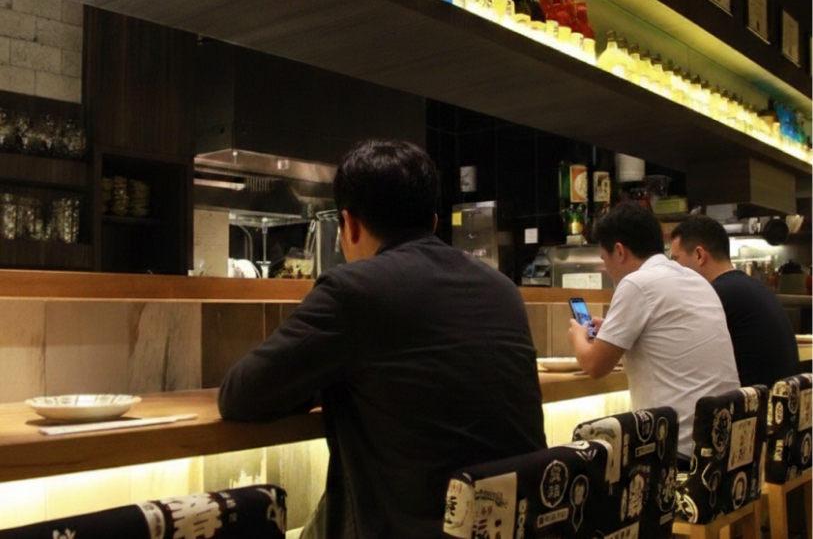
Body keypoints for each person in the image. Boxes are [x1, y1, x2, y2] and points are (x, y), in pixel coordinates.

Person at [219, 139, 545, 539]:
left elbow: (240, 394)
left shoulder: (353, 290)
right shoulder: (503, 290)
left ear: (348, 225)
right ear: (435, 222)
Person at [567, 202, 739, 461]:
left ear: (619, 251)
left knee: (589, 463)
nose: (605, 268)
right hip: (726, 448)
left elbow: (595, 366)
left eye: (604, 259)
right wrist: (613, 330)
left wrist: (578, 336)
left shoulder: (636, 283)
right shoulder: (696, 280)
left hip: (677, 453)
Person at [669, 215, 802, 388]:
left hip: (754, 410)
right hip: (782, 406)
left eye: (675, 260)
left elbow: (681, 356)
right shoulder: (754, 287)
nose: (672, 269)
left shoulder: (713, 295)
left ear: (700, 255)